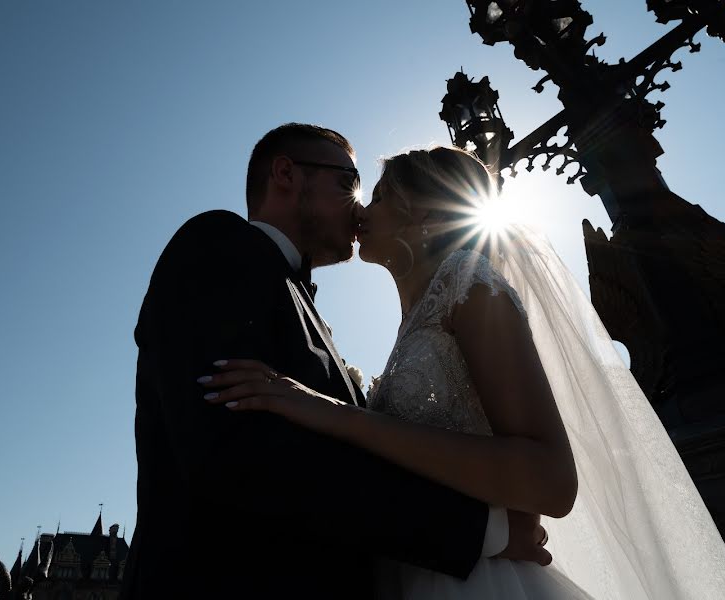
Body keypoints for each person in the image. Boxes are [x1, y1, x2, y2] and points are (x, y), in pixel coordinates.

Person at [203, 146, 725, 599]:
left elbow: (552, 481)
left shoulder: (472, 287)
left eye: (381, 194)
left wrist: (336, 415)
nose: (362, 210)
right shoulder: (414, 323)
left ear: (424, 215)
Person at [118, 126, 549, 600]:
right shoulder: (218, 243)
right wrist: (481, 531)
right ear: (285, 173)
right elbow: (239, 450)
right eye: (350, 183)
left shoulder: (312, 306)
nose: (360, 206)